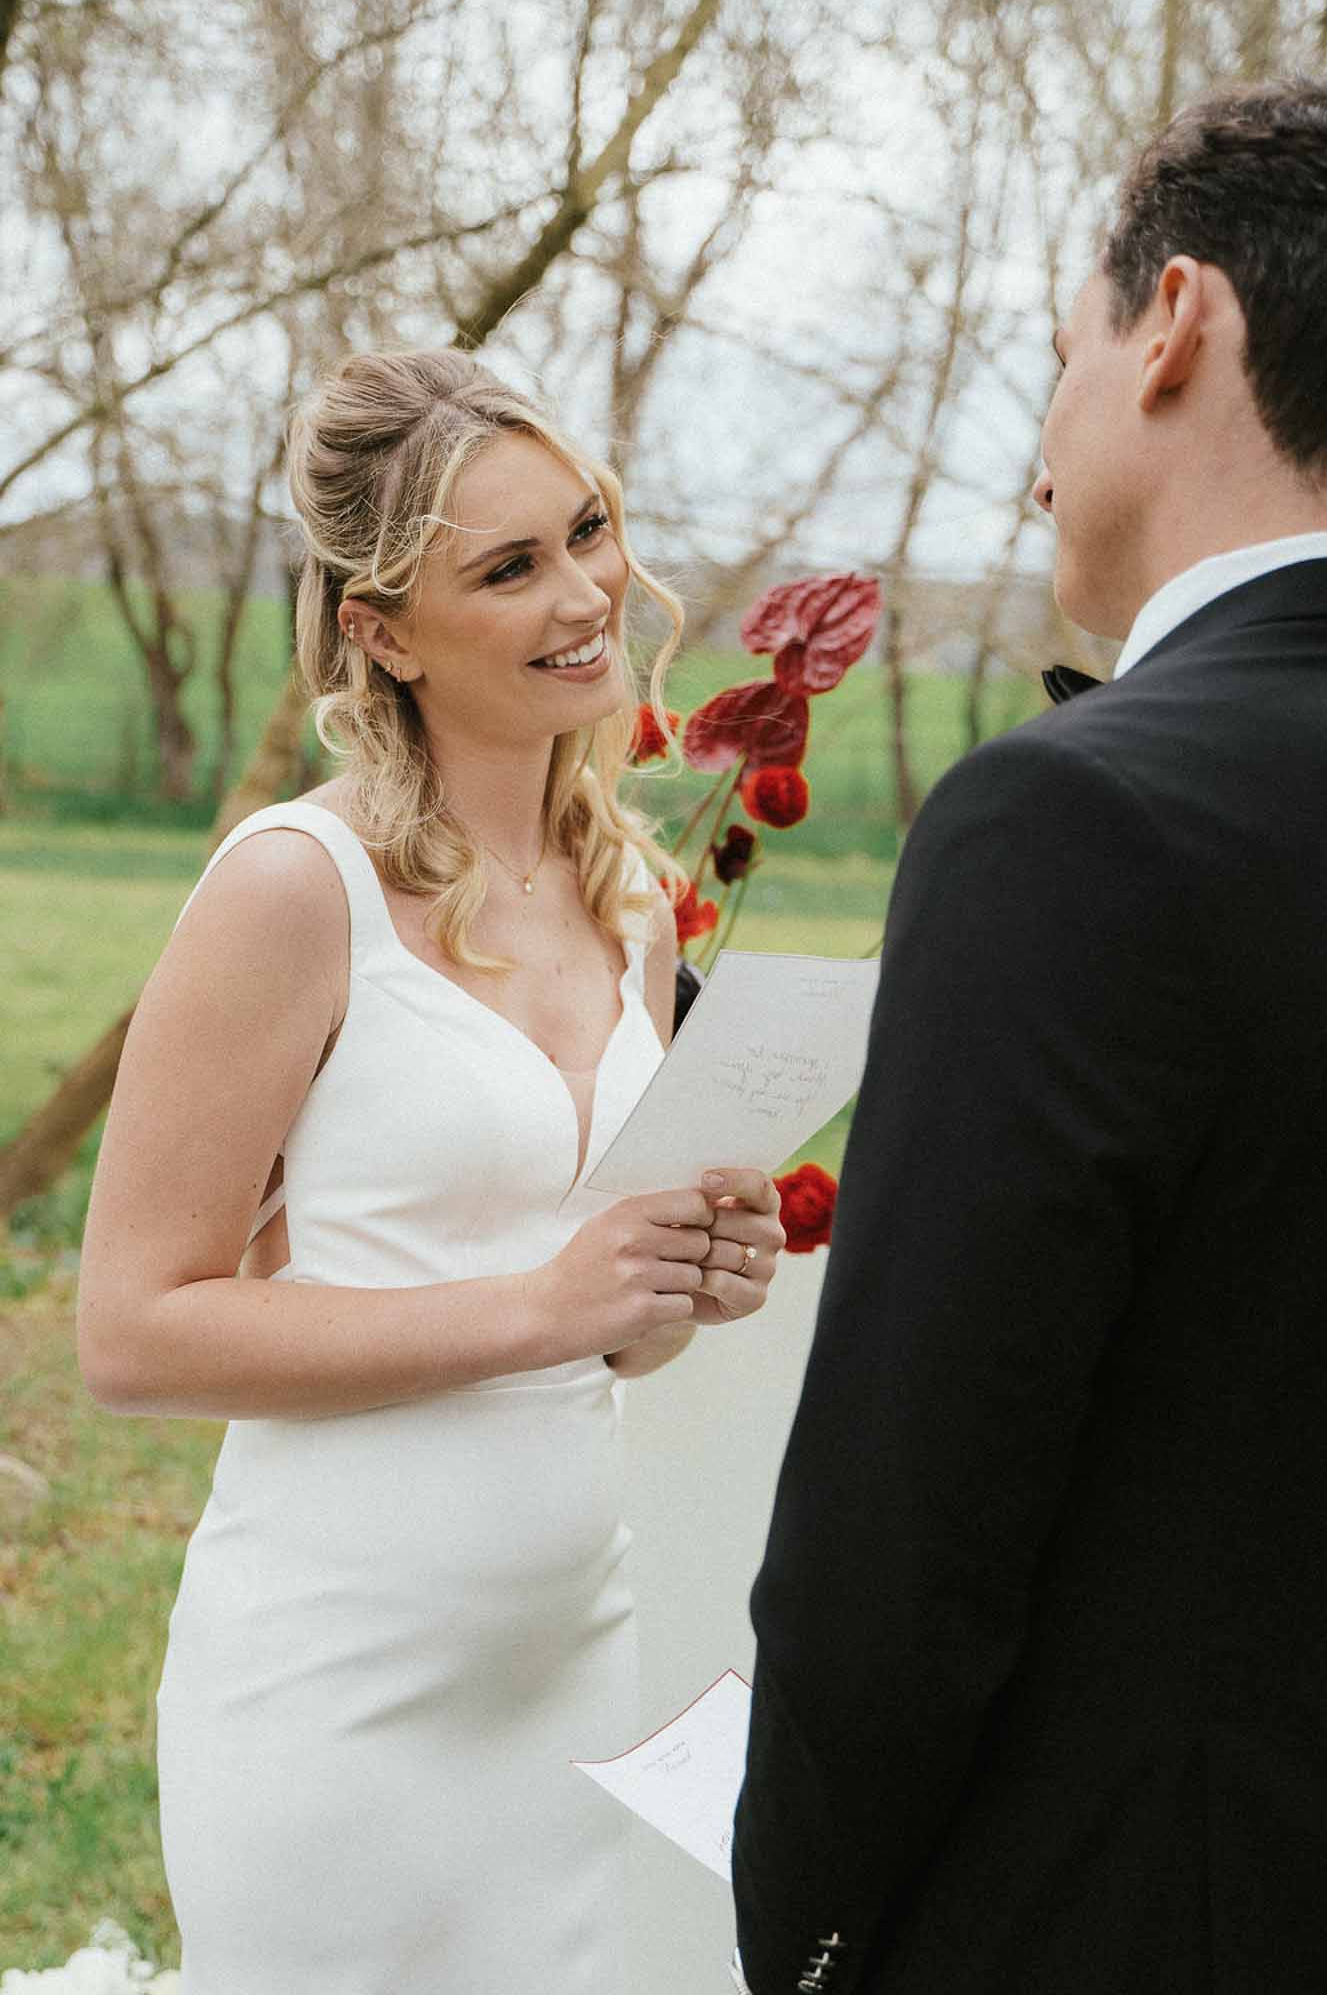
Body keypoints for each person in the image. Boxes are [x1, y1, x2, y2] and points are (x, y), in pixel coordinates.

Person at [730, 59, 1327, 1995]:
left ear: (1173, 321)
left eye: (1054, 359)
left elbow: (910, 1510)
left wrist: (809, 1925)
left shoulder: (1080, 817)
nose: (1033, 458)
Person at [74, 346, 785, 1995]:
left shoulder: (626, 897)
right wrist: (546, 1305)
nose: (584, 595)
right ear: (382, 632)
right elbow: (130, 1332)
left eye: (586, 531)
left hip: (580, 1671)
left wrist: (675, 1285)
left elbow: (602, 1332)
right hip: (337, 1697)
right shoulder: (291, 889)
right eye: (508, 568)